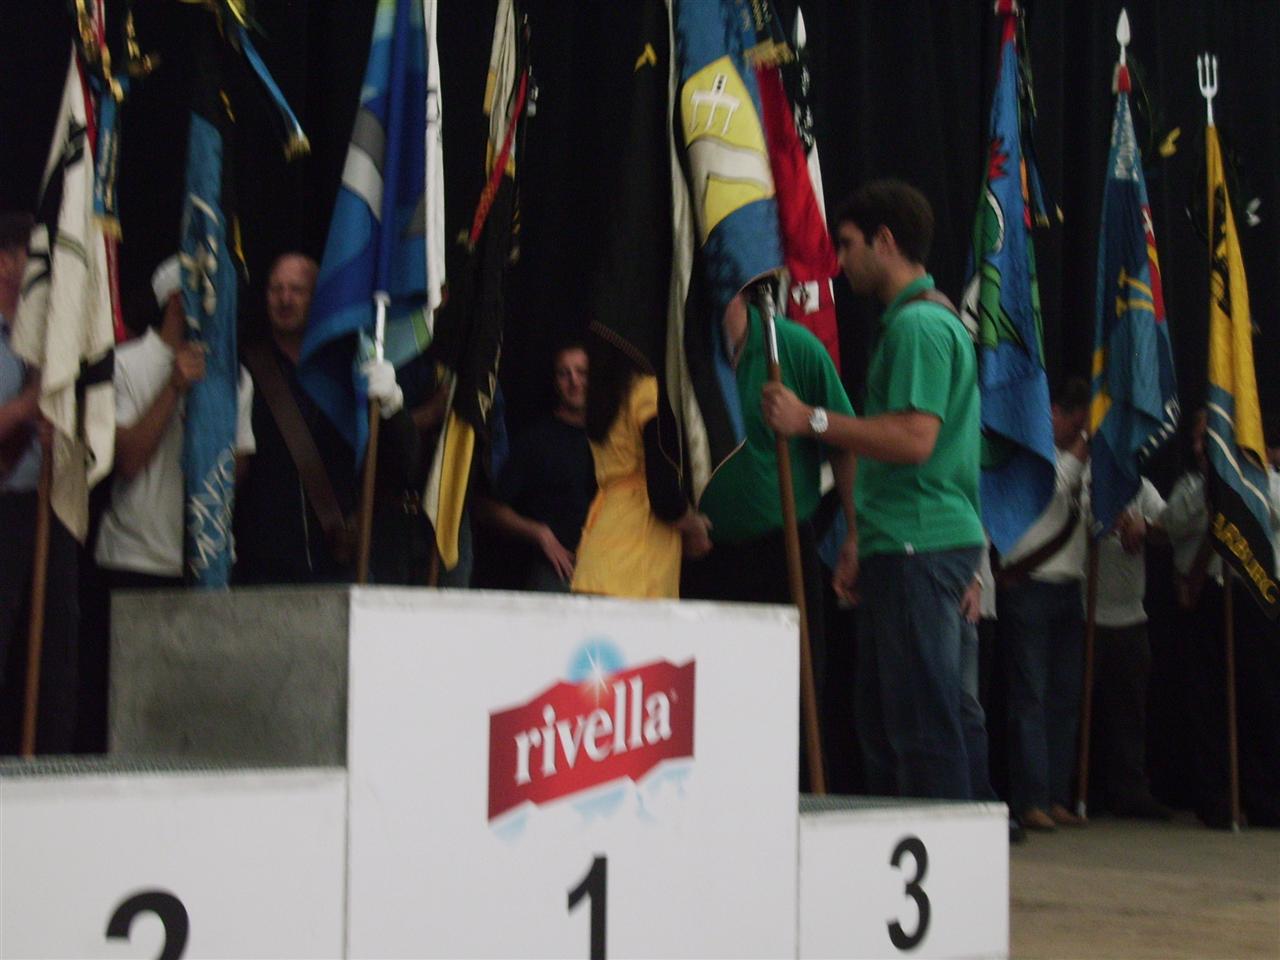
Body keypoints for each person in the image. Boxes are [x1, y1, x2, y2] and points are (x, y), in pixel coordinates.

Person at [763, 179, 985, 802]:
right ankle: (950, 845)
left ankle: (942, 852)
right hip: (911, 542)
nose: (839, 262)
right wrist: (862, 537)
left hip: (919, 546)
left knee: (920, 727)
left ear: (885, 241)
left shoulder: (919, 328)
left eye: (848, 244)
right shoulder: (924, 322)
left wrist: (811, 419)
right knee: (910, 721)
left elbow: (915, 439)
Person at [682, 290, 856, 718]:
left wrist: (855, 532)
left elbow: (844, 444)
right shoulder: (684, 352)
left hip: (784, 552)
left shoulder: (794, 347)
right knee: (711, 703)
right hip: (703, 555)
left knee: (792, 698)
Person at [95, 256, 256, 589]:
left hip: (211, 559)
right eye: (208, 294)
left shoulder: (234, 375)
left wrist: (210, 427)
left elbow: (236, 472)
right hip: (135, 559)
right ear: (177, 299)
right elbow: (127, 462)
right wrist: (173, 387)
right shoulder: (123, 364)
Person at [994, 378, 1090, 830]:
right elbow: (1054, 486)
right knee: (1030, 698)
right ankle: (1030, 798)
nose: (1080, 431)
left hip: (1070, 586)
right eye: (1076, 422)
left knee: (1064, 699)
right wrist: (1083, 451)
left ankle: (1055, 796)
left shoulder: (1084, 462)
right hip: (1029, 585)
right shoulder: (1029, 453)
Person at [0, 211, 78, 754]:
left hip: (46, 505)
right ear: (6, 263)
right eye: (35, 257)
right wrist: (28, 406)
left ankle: (40, 767)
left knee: (48, 654)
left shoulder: (54, 340)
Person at [570, 335, 710, 598]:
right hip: (636, 560)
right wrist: (694, 525)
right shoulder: (648, 391)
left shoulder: (601, 401)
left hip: (597, 554)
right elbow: (663, 494)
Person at [1086, 478, 1173, 819]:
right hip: (1085, 613)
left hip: (1131, 615)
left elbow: (1172, 527)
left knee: (1130, 712)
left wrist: (1145, 525)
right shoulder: (1084, 479)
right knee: (1079, 711)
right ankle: (1080, 792)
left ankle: (1129, 790)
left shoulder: (1141, 487)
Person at [476, 342, 595, 591]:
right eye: (564, 374)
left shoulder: (613, 438)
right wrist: (540, 534)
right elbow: (488, 508)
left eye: (581, 372)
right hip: (556, 572)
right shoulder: (536, 440)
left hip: (607, 568)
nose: (574, 381)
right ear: (555, 382)